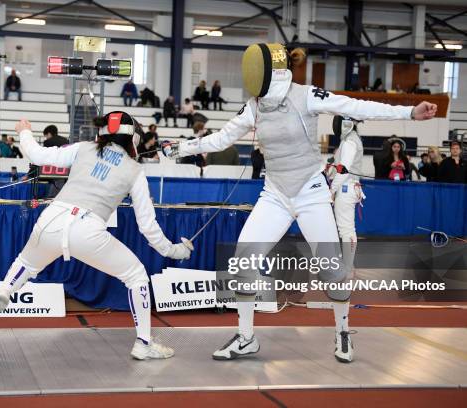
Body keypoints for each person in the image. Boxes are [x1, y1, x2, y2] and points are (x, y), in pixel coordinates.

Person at [163, 43, 437, 363]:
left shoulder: (306, 95)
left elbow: (354, 106)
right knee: (243, 260)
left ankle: (343, 332)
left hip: (311, 193)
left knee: (333, 271)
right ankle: (246, 336)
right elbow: (221, 139)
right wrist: (181, 148)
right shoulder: (255, 106)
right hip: (275, 194)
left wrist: (408, 112)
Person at [0, 112, 192, 360]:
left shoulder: (84, 148)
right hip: (88, 229)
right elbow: (148, 226)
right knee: (136, 275)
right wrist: (174, 250)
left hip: (52, 218)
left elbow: (39, 156)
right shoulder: (135, 171)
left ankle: (5, 290)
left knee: (26, 262)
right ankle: (143, 343)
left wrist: (24, 130)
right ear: (133, 138)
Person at [327, 116, 365, 292]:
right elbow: (339, 166)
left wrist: (332, 189)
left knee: (346, 230)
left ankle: (348, 270)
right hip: (347, 187)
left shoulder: (350, 141)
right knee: (345, 230)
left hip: (345, 187)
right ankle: (347, 265)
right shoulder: (348, 140)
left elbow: (344, 169)